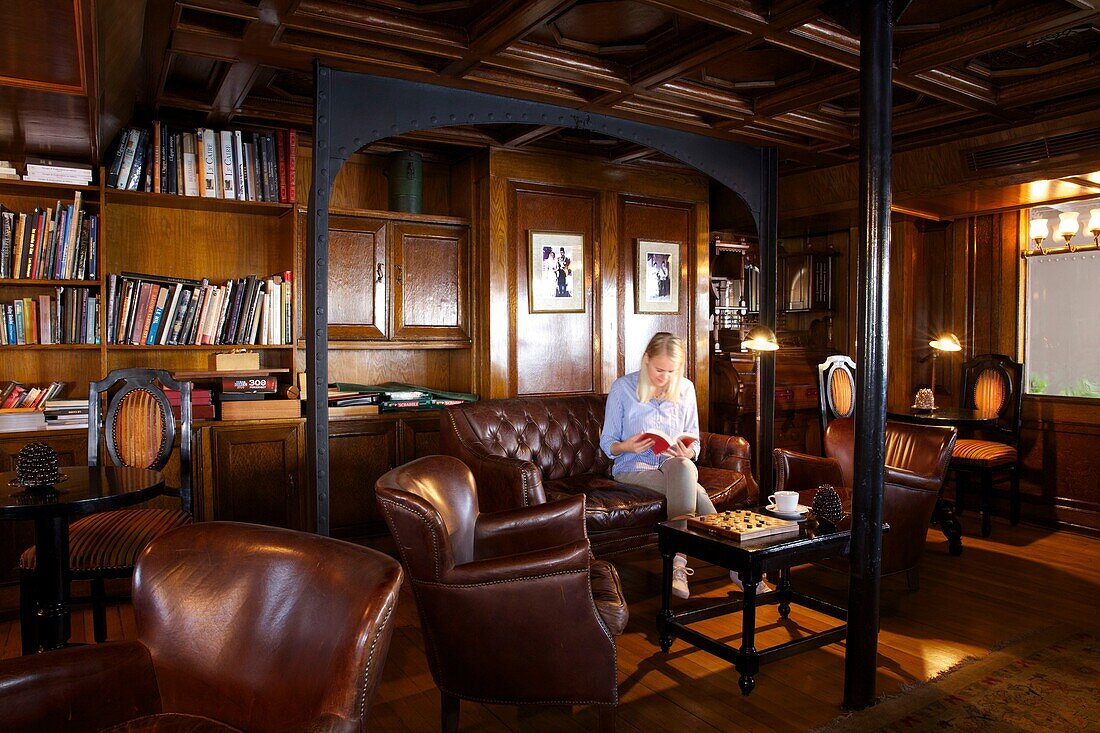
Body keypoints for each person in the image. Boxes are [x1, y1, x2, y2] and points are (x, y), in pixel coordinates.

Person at [600, 332, 768, 599]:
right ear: (646, 360)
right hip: (633, 467)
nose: (664, 377)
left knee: (684, 467)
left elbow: (695, 445)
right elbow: (607, 443)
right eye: (659, 369)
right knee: (695, 490)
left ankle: (679, 561)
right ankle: (740, 566)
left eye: (671, 371)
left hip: (673, 463)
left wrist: (687, 450)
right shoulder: (623, 388)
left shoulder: (686, 388)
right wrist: (627, 446)